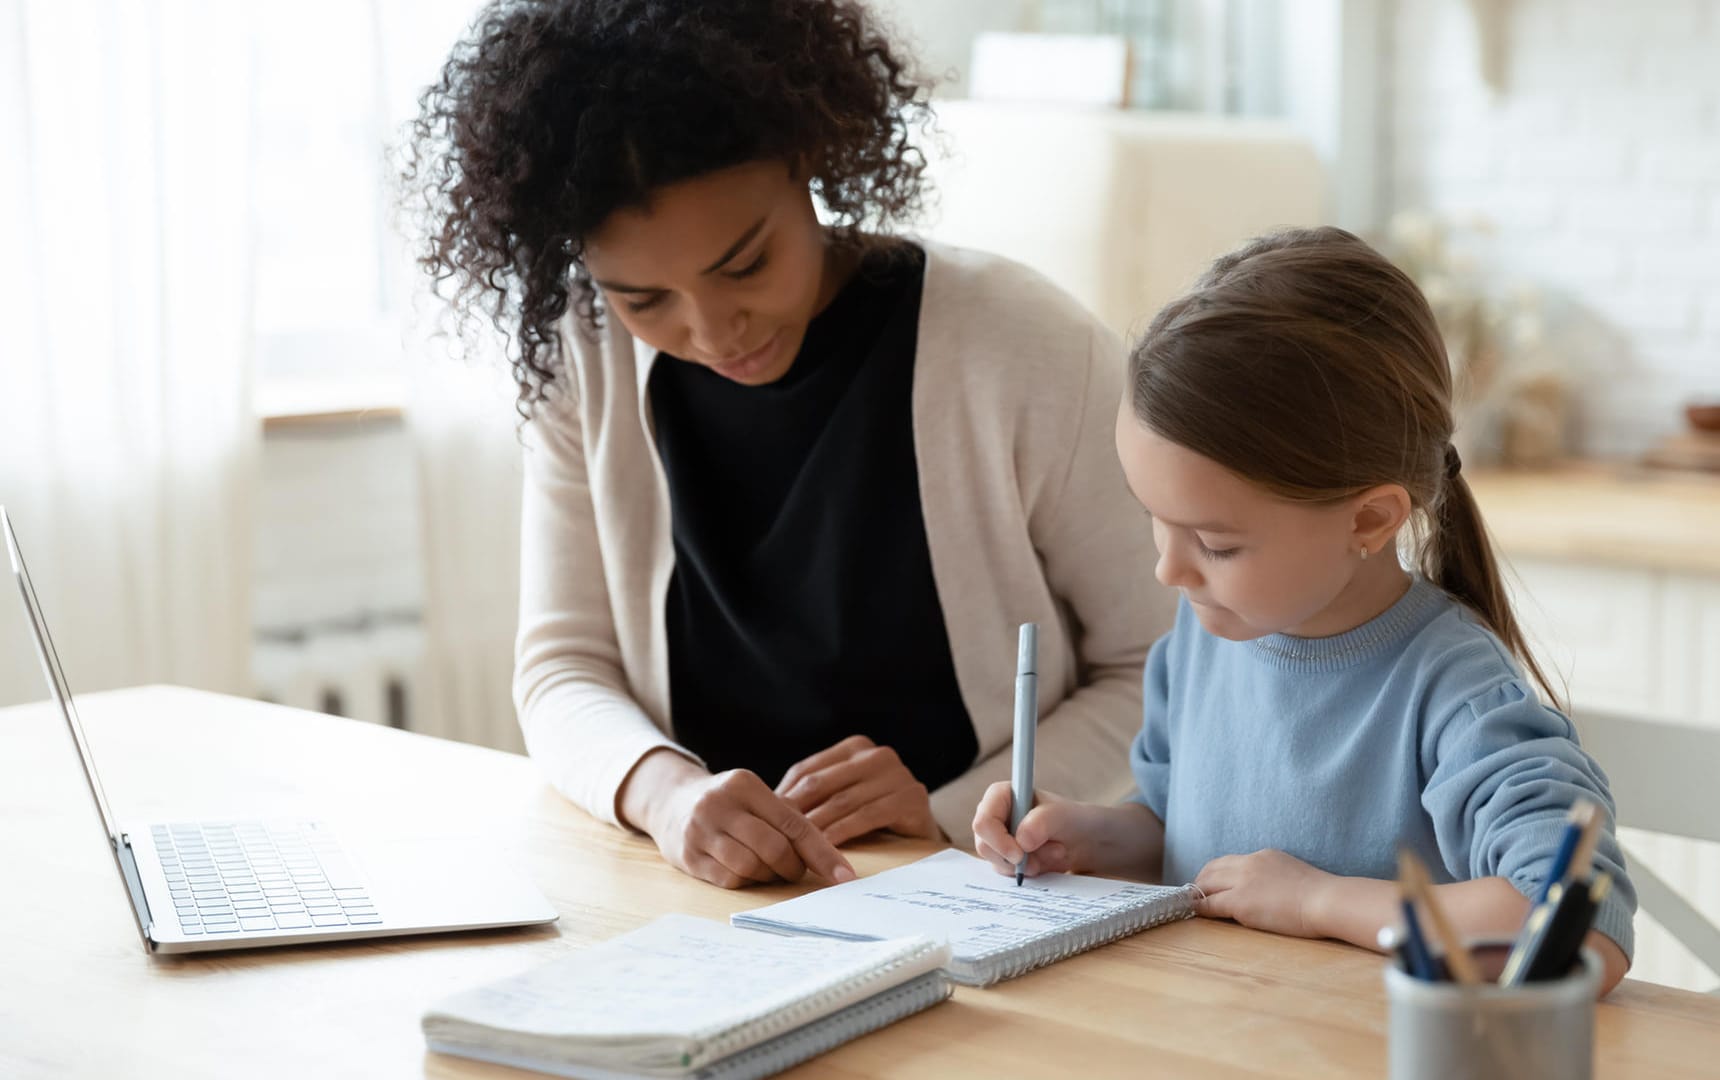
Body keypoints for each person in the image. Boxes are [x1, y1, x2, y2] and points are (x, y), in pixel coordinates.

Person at [403, 0, 1167, 890]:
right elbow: (563, 665)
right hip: (702, 896)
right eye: (644, 300)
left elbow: (1160, 668)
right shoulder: (585, 357)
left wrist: (954, 814)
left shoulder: (1025, 346)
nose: (713, 329)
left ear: (810, 157)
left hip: (986, 889)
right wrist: (667, 798)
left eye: (745, 265)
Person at [971, 227, 1636, 993]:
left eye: (1216, 544)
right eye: (1154, 519)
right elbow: (1188, 840)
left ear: (1368, 521)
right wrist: (1088, 837)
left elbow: (1581, 926)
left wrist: (1319, 899)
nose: (1168, 568)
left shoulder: (1456, 691)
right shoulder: (1206, 632)